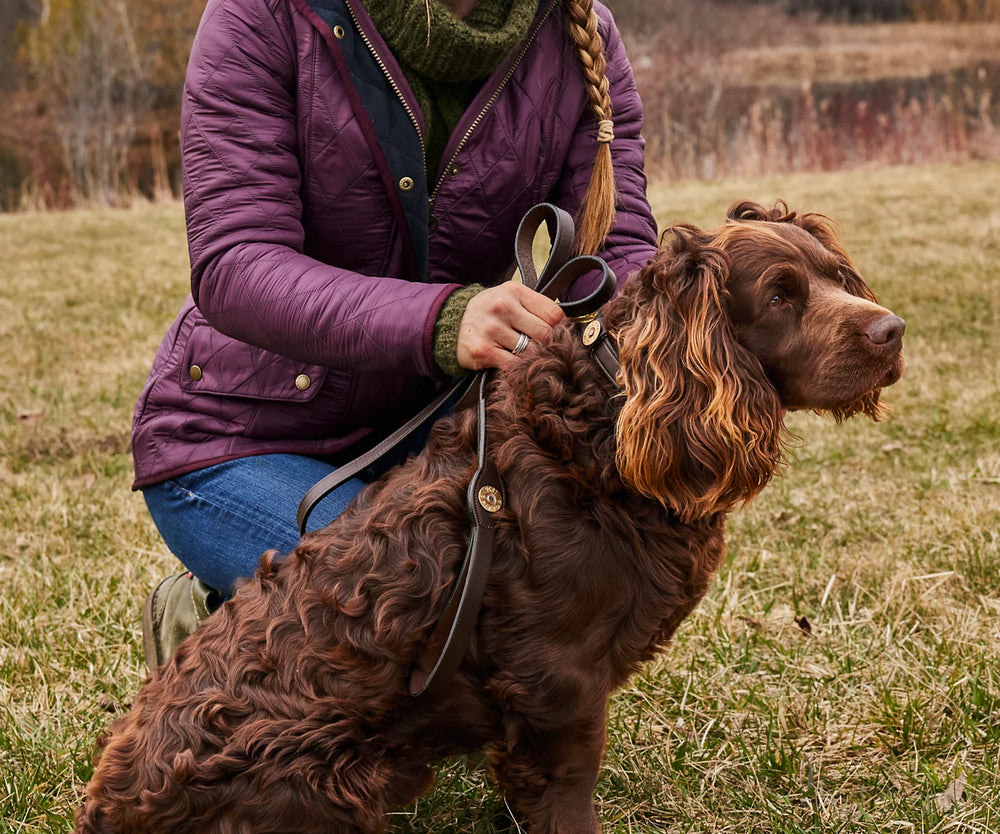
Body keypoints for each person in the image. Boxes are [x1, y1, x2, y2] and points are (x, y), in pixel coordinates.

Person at [132, 0, 659, 668]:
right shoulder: (262, 13)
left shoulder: (578, 33)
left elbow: (620, 249)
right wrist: (444, 320)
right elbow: (236, 264)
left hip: (436, 428)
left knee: (520, 599)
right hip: (242, 439)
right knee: (415, 596)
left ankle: (274, 609)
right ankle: (211, 619)